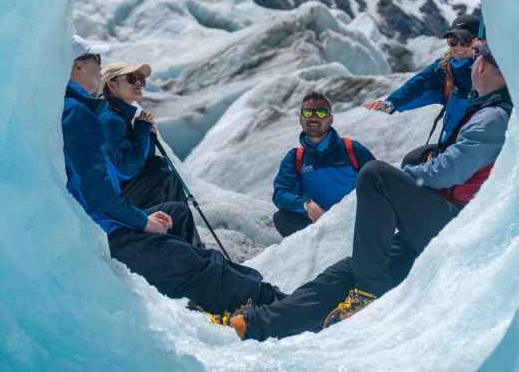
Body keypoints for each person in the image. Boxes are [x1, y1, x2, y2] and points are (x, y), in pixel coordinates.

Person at [212, 41, 512, 341]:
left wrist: (408, 173)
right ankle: (255, 323)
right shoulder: (487, 111)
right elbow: (282, 193)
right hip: (432, 224)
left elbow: (448, 172)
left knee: (375, 176)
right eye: (308, 114)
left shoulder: (492, 117)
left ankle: (370, 291)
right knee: (346, 271)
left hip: (456, 224)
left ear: (481, 66)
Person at [62, 35, 283, 314]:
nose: (98, 65)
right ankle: (272, 304)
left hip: (107, 219)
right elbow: (102, 188)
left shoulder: (81, 111)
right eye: (95, 59)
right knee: (202, 265)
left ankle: (219, 279)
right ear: (76, 67)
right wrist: (142, 220)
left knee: (176, 214)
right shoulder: (81, 115)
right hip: (108, 231)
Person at [363, 14, 485, 145]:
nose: (458, 46)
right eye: (453, 40)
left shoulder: (492, 70)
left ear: (480, 42)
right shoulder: (445, 68)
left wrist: (486, 57)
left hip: (484, 145)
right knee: (412, 160)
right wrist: (391, 103)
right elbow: (418, 85)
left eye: (465, 41)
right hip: (452, 142)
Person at [272, 92, 375, 237]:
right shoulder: (296, 158)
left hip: (357, 221)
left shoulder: (352, 149)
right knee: (283, 218)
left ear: (330, 119)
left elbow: (379, 182)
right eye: (308, 113)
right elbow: (280, 194)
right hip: (320, 226)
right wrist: (306, 204)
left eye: (320, 113)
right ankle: (313, 257)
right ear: (301, 119)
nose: (314, 117)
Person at [98, 62, 188, 210]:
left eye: (140, 78)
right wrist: (141, 130)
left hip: (121, 192)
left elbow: (143, 163)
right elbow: (127, 170)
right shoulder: (109, 120)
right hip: (113, 198)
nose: (138, 82)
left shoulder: (120, 118)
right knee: (164, 175)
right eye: (131, 77)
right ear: (112, 85)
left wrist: (146, 135)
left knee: (158, 167)